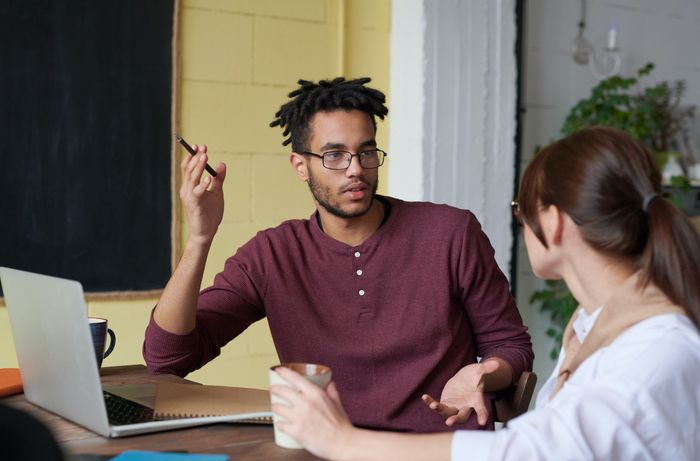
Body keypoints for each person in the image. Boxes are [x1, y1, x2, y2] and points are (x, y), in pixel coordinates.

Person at [269, 127, 700, 461]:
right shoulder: (595, 327)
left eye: (520, 209)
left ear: (552, 223)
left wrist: (341, 440)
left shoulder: (656, 349)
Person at [144, 77, 533, 433]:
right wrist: (199, 238)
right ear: (301, 166)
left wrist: (481, 375)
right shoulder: (272, 254)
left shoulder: (451, 233)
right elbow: (168, 358)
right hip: (328, 455)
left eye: (366, 153)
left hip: (439, 454)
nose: (355, 170)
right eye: (334, 156)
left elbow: (512, 346)